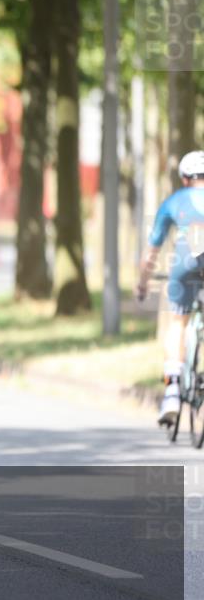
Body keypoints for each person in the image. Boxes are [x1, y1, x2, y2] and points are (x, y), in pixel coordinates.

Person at [137, 149, 204, 425]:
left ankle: (173, 391)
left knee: (177, 321)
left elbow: (153, 249)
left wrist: (142, 283)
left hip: (185, 263)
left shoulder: (175, 201)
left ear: (185, 179)